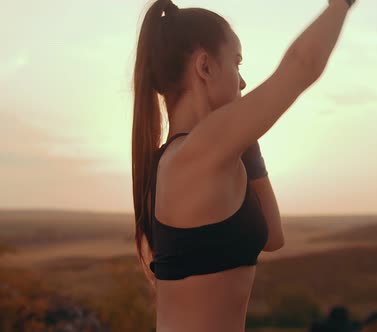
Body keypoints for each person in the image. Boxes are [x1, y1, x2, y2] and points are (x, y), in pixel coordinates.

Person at [131, 0, 357, 331]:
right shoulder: (195, 153)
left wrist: (247, 146)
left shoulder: (195, 158)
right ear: (205, 67)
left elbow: (273, 236)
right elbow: (302, 64)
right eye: (237, 62)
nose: (243, 82)